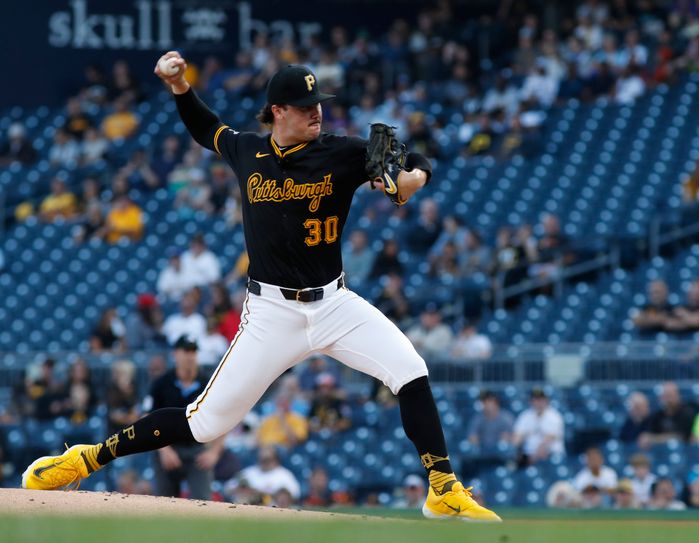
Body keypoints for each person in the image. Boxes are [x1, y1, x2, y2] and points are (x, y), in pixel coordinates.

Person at [23, 57, 499, 521]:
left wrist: (417, 175)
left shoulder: (343, 152)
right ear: (277, 111)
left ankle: (443, 489)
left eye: (318, 102)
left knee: (411, 369)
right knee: (203, 424)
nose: (316, 111)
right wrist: (180, 88)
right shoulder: (248, 151)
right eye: (304, 104)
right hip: (271, 313)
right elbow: (206, 128)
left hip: (334, 303)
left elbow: (412, 154)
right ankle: (86, 459)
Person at [144, 336, 224, 499]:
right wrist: (164, 450)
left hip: (198, 450)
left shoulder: (208, 383)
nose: (190, 356)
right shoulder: (162, 383)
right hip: (168, 447)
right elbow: (147, 418)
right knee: (163, 504)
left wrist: (215, 452)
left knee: (202, 504)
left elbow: (223, 416)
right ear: (175, 354)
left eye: (194, 351)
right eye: (186, 350)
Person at [225, 445, 300, 506]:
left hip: (272, 509)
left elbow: (295, 494)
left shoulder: (284, 475)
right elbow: (228, 488)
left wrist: (263, 494)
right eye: (262, 459)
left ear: (275, 459)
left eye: (267, 459)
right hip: (247, 506)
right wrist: (243, 490)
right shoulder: (249, 472)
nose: (264, 462)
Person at [512, 388, 565, 465]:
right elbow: (517, 439)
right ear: (530, 402)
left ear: (546, 401)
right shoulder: (525, 416)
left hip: (552, 454)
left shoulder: (554, 416)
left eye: (541, 400)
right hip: (529, 455)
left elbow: (548, 441)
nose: (538, 403)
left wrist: (534, 457)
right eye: (535, 400)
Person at [638, 382, 697, 449]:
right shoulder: (657, 416)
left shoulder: (687, 413)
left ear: (678, 396)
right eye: (665, 396)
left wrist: (655, 439)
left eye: (670, 395)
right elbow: (648, 435)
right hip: (660, 453)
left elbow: (681, 437)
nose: (668, 400)